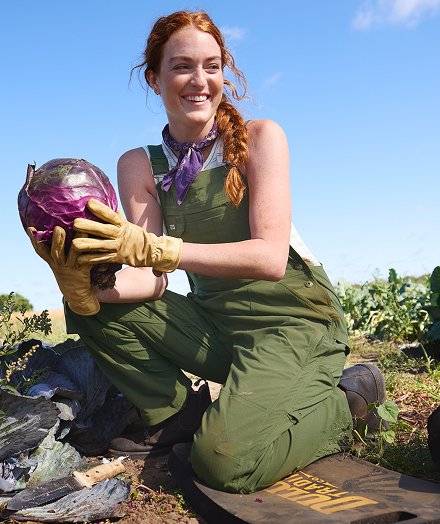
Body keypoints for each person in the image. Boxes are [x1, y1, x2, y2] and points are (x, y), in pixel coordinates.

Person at [28, 10, 385, 494]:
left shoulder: (261, 139)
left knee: (223, 463)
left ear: (224, 73)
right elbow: (149, 279)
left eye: (211, 66)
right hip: (217, 326)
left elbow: (269, 257)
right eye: (182, 66)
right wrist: (83, 286)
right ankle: (177, 415)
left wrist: (160, 248)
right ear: (154, 79)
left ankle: (350, 397)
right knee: (92, 307)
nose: (200, 80)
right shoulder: (139, 164)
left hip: (294, 326)